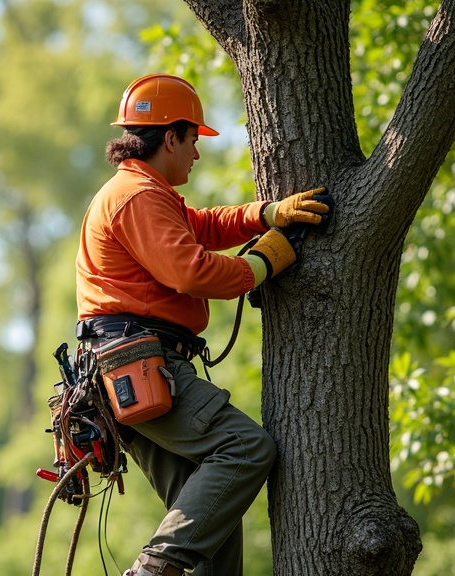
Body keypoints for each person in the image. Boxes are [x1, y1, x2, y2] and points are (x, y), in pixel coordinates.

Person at [74, 73, 331, 576]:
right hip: (139, 365)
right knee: (245, 448)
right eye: (193, 140)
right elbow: (190, 269)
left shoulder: (147, 193)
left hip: (130, 374)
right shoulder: (135, 196)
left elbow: (202, 227)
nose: (197, 152)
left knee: (211, 523)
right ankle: (153, 570)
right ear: (170, 137)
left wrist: (267, 213)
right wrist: (263, 265)